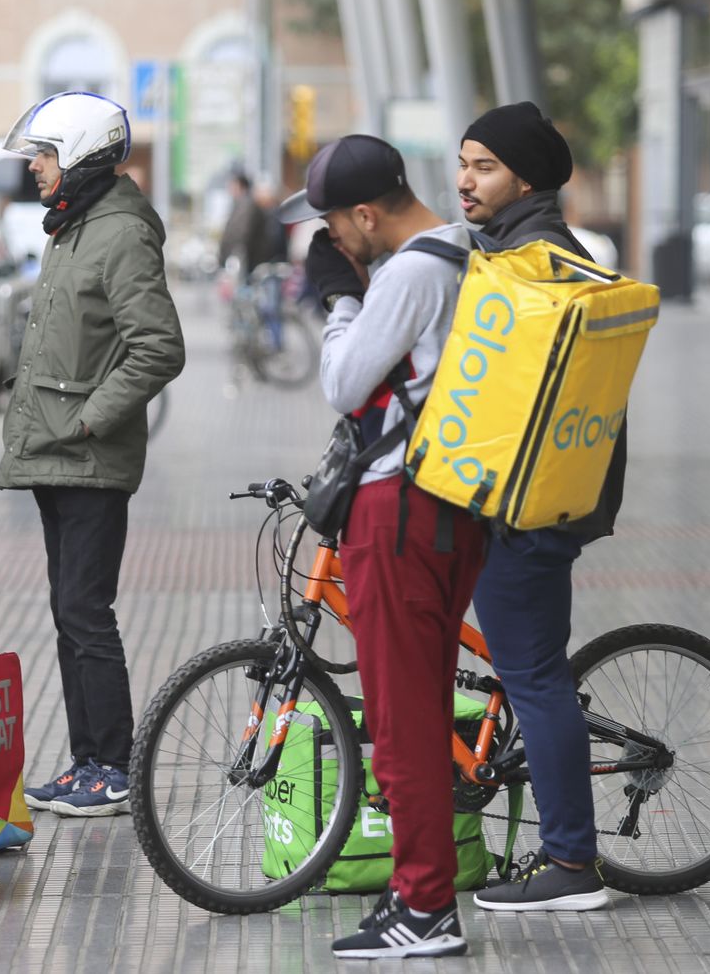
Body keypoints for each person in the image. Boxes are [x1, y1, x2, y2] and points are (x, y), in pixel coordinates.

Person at [279, 135, 486, 959]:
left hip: (398, 510)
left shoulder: (408, 274)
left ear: (366, 214)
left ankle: (426, 906)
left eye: (334, 224)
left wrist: (340, 301)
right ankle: (416, 893)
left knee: (402, 720)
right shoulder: (466, 250)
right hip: (451, 505)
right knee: (420, 706)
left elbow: (343, 382)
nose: (329, 238)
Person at [0, 92, 185, 819]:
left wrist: (88, 421)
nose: (35, 168)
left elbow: (158, 347)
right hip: (58, 452)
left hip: (87, 457)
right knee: (69, 611)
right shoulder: (73, 227)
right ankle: (88, 762)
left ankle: (112, 768)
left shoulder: (120, 234)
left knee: (86, 611)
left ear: (80, 155)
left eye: (44, 155)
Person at [453, 101, 613, 912]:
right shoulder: (518, 251)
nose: (465, 180)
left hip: (530, 505)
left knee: (534, 677)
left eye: (483, 166)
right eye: (463, 163)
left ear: (525, 179)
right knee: (527, 668)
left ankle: (572, 866)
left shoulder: (538, 263)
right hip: (525, 496)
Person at [217, 170, 273, 279]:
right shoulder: (241, 204)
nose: (229, 188)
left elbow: (242, 234)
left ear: (240, 186)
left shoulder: (247, 205)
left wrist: (232, 254)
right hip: (241, 259)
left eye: (232, 185)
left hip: (246, 261)